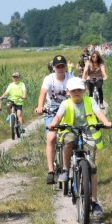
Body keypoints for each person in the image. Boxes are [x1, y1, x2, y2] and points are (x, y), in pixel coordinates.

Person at [48, 76, 112, 217]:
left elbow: (98, 113)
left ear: (83, 90)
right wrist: (53, 124)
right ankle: (65, 169)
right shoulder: (65, 104)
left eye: (79, 89)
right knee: (68, 142)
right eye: (73, 90)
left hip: (88, 131)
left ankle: (94, 202)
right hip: (70, 130)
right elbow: (58, 117)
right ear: (68, 92)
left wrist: (106, 122)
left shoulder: (90, 101)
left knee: (92, 168)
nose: (76, 92)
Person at [34, 54, 74, 184]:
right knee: (51, 138)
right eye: (58, 67)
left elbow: (77, 91)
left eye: (62, 66)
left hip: (67, 111)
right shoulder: (49, 79)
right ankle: (51, 171)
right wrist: (40, 106)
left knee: (69, 138)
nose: (60, 69)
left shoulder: (70, 78)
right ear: (53, 68)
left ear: (65, 67)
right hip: (51, 111)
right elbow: (43, 93)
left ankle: (67, 167)